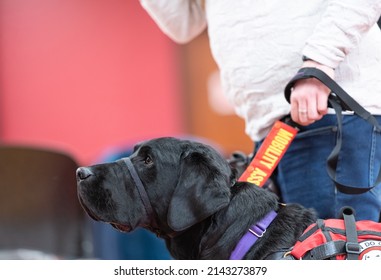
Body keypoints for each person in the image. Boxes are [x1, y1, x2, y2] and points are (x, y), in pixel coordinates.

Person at [139, 0, 381, 222]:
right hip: (272, 128)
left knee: (335, 258)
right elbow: (184, 24)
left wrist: (320, 63)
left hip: (326, 109)